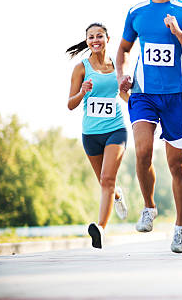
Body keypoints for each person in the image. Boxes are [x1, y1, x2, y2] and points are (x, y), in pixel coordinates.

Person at [116, 0, 182, 253]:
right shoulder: (136, 12)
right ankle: (149, 206)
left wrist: (178, 32)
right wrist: (122, 75)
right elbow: (124, 49)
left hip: (177, 97)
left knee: (176, 165)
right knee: (142, 151)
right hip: (144, 94)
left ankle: (180, 227)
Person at [66, 23, 129, 249]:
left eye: (99, 36)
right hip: (91, 134)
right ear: (87, 41)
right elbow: (70, 104)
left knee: (107, 179)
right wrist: (83, 91)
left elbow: (124, 95)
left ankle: (100, 229)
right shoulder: (81, 68)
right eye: (91, 37)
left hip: (116, 129)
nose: (95, 40)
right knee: (104, 182)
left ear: (107, 38)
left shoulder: (116, 65)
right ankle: (118, 196)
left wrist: (142, 109)